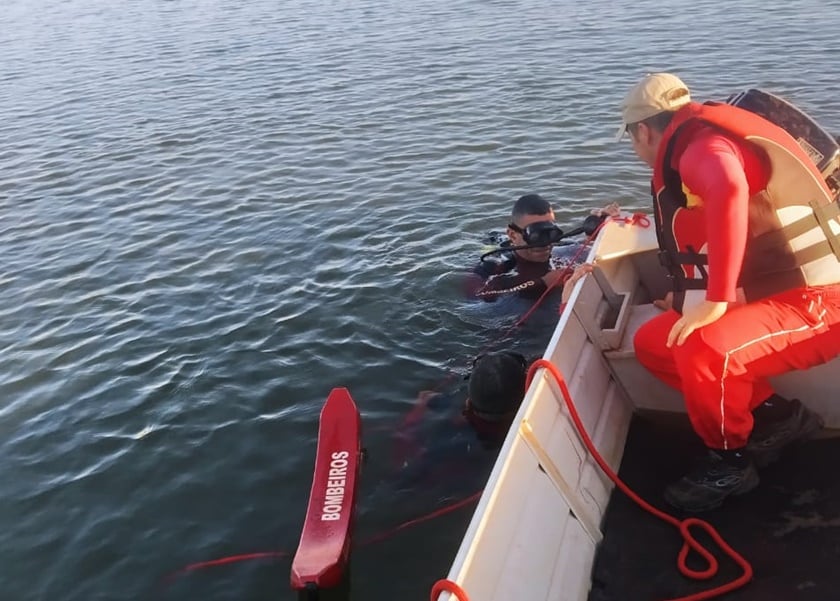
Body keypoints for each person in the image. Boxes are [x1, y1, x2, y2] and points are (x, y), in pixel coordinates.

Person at [616, 72, 840, 512]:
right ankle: (778, 418)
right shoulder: (700, 147)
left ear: (643, 131)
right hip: (784, 296)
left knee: (704, 349)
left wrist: (716, 300)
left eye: (631, 139)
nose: (636, 149)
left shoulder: (701, 146)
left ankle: (730, 460)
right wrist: (688, 302)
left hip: (823, 302)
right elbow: (720, 232)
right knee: (655, 343)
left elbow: (728, 186)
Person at [392, 351, 532, 491]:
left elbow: (425, 397)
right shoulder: (520, 433)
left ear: (469, 401)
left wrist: (411, 422)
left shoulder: (454, 416)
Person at [467, 193, 619, 304]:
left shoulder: (563, 249)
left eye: (550, 232)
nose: (545, 243)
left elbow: (592, 248)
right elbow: (474, 295)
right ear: (513, 235)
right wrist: (543, 282)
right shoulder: (497, 264)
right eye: (536, 234)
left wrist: (604, 228)